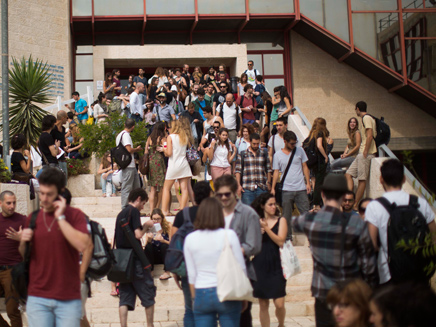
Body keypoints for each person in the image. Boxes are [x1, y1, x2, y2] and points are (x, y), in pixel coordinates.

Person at [293, 173, 378, 327]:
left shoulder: (309, 221)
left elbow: (289, 222)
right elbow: (369, 265)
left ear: (323, 194)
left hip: (323, 293)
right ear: (343, 195)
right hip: (350, 293)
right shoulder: (356, 223)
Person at [20, 167, 91, 327]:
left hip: (68, 297)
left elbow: (83, 244)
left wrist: (61, 219)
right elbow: (23, 254)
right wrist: (23, 242)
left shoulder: (75, 216)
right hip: (38, 296)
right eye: (42, 193)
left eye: (49, 194)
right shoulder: (33, 218)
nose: (44, 199)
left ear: (61, 192)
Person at [364, 159, 436, 285]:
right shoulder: (420, 203)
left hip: (388, 275)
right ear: (403, 179)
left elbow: (372, 245)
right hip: (418, 275)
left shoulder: (374, 206)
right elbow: (434, 238)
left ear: (381, 180)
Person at [183, 197, 246, 327]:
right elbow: (241, 268)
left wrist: (194, 299)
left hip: (202, 291)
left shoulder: (190, 239)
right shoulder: (230, 235)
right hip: (227, 291)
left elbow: (191, 274)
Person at [214, 175, 262, 327]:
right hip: (218, 271)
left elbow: (254, 245)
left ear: (235, 192)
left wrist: (232, 251)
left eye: (227, 194)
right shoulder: (214, 214)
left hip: (242, 272)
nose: (223, 198)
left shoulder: (248, 213)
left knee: (242, 319)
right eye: (219, 194)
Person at [171, 181, 212, 327]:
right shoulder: (215, 215)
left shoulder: (183, 214)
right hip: (210, 269)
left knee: (190, 309)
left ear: (193, 195)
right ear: (210, 195)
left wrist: (175, 269)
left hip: (188, 269)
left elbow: (173, 242)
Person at [114, 188, 155, 327]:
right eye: (143, 203)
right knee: (148, 294)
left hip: (122, 262)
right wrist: (146, 226)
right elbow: (138, 235)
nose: (143, 206)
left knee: (125, 298)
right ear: (138, 199)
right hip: (135, 260)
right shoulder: (134, 211)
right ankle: (150, 325)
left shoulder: (121, 214)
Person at [250, 193, 287, 327]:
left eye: (274, 204)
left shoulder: (281, 220)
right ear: (262, 206)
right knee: (263, 304)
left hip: (277, 264)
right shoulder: (255, 221)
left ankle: (281, 324)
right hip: (260, 264)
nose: (273, 207)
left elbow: (281, 241)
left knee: (279, 303)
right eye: (270, 204)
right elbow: (250, 244)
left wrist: (266, 229)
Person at [271, 131, 311, 240]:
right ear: (285, 142)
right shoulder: (278, 155)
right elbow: (275, 172)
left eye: (295, 143)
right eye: (292, 143)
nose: (294, 145)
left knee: (305, 213)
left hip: (301, 188)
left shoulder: (300, 151)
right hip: (286, 189)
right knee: (286, 216)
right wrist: (273, 188)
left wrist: (308, 183)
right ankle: (288, 238)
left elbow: (305, 167)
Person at [345, 101, 378, 211]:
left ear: (358, 109)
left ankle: (355, 205)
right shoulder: (368, 118)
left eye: (356, 109)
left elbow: (370, 135)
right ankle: (349, 198)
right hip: (361, 154)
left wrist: (365, 151)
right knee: (348, 174)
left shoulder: (367, 118)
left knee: (362, 180)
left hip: (366, 153)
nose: (356, 112)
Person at [0, 191, 26, 327]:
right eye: (8, 203)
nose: (12, 206)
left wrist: (21, 238)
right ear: (0, 203)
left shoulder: (22, 220)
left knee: (12, 310)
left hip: (12, 271)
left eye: (14, 203)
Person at [161, 120, 192, 216]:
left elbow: (169, 153)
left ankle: (164, 210)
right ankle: (183, 209)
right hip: (184, 164)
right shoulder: (184, 136)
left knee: (166, 188)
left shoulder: (170, 137)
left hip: (174, 164)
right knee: (184, 188)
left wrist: (164, 149)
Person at [235, 133, 271, 205]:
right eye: (254, 143)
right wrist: (238, 185)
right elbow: (238, 171)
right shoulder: (243, 154)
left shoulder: (263, 153)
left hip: (261, 186)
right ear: (250, 142)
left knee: (261, 212)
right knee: (248, 212)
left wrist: (269, 182)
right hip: (247, 187)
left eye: (257, 144)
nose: (256, 146)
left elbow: (268, 169)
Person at [116, 118, 143, 208]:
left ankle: (135, 208)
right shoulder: (126, 135)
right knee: (127, 187)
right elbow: (129, 149)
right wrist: (137, 149)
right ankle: (125, 208)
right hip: (128, 165)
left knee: (137, 187)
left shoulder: (119, 135)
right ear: (133, 127)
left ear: (124, 124)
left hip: (129, 165)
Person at [307, 117, 329, 211]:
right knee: (319, 184)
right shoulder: (319, 133)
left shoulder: (312, 133)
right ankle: (317, 205)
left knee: (316, 183)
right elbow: (319, 145)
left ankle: (315, 205)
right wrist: (325, 156)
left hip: (313, 162)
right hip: (319, 161)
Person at [144, 122, 167, 213]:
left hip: (151, 162)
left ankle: (151, 209)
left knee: (153, 188)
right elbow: (166, 149)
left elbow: (146, 151)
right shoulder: (162, 138)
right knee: (161, 186)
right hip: (159, 162)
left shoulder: (149, 138)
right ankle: (157, 207)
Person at [144, 209, 172, 280]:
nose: (156, 221)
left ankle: (167, 272)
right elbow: (145, 245)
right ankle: (151, 271)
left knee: (164, 246)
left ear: (162, 218)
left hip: (165, 254)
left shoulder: (168, 226)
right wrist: (149, 239)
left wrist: (163, 240)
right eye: (154, 219)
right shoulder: (149, 227)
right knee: (148, 246)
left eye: (158, 219)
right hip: (154, 255)